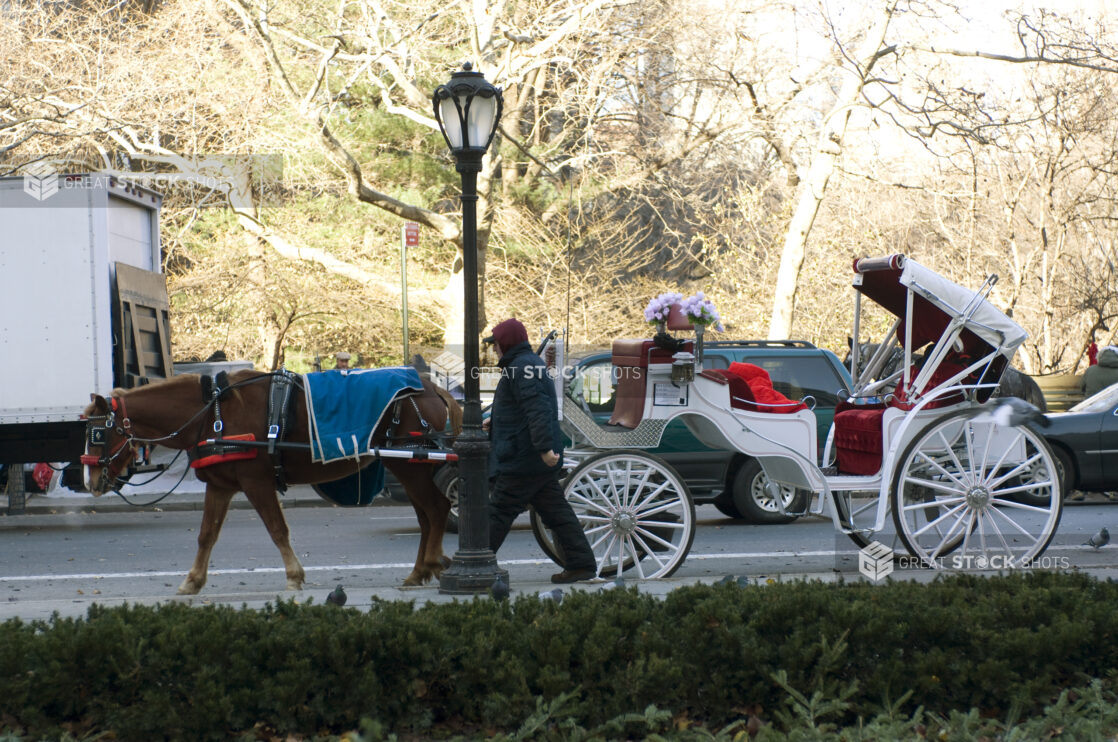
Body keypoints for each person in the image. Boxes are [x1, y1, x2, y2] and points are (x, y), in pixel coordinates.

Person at [484, 318, 597, 583]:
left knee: (499, 511)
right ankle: (581, 565)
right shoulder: (524, 364)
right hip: (530, 455)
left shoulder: (522, 366)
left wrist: (545, 448)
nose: (494, 350)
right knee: (557, 513)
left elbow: (538, 410)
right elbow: (524, 408)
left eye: (496, 344)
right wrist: (496, 420)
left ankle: (477, 562)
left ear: (506, 343)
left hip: (524, 457)